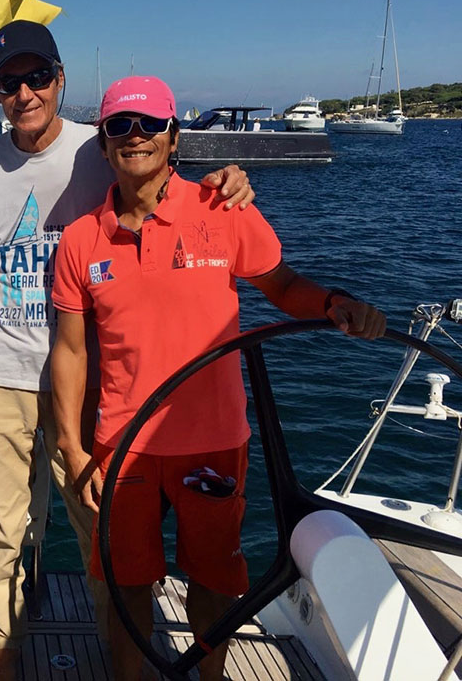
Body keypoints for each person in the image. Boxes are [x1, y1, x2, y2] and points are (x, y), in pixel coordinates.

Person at [0, 20, 255, 681]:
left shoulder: (105, 143)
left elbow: (169, 186)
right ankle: (7, 649)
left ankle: (121, 654)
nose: (23, 92)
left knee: (101, 532)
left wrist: (231, 178)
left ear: (59, 80)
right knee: (1, 532)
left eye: (36, 77)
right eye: (8, 82)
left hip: (89, 382)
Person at [50, 75, 386, 680]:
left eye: (150, 124)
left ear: (173, 137)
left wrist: (334, 302)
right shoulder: (78, 240)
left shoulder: (224, 209)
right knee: (128, 591)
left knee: (211, 583)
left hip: (214, 440)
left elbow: (281, 286)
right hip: (121, 447)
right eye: (120, 126)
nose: (136, 137)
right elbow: (70, 353)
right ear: (103, 144)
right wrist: (74, 450)